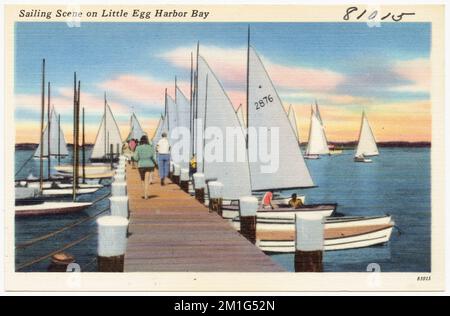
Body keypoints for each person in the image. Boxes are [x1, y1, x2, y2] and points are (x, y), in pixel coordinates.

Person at [133, 135, 157, 199]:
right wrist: (156, 164)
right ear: (147, 141)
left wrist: (138, 159)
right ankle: (146, 194)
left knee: (142, 180)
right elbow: (154, 157)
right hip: (149, 164)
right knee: (147, 179)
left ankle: (144, 193)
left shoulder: (138, 147)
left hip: (141, 165)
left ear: (141, 141)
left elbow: (135, 157)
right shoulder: (151, 147)